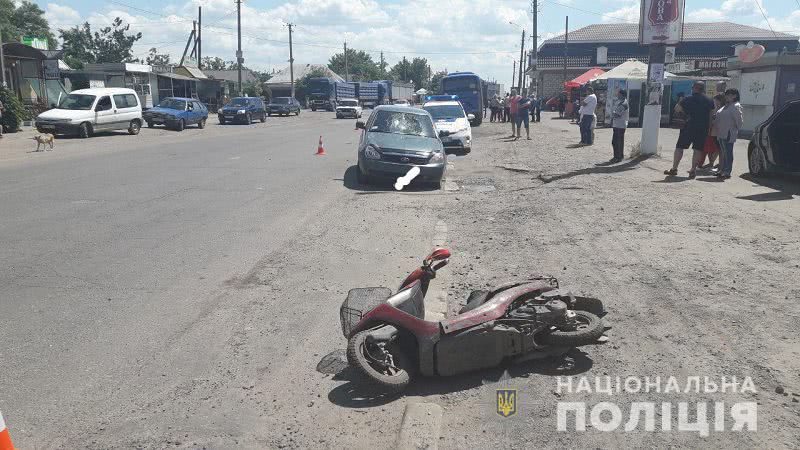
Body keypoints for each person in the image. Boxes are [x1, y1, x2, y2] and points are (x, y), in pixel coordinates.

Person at [663, 81, 715, 178]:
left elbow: (677, 108)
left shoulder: (687, 98)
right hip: (702, 128)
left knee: (679, 147)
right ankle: (693, 170)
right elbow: (711, 115)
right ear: (703, 89)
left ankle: (674, 169)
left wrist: (685, 113)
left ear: (694, 88)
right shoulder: (709, 100)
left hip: (688, 127)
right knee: (698, 149)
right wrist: (709, 128)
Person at [713, 88, 743, 180]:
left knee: (728, 153)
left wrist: (735, 129)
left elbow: (739, 121)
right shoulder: (726, 105)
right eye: (726, 95)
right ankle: (722, 169)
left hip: (728, 132)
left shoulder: (735, 106)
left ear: (735, 96)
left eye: (730, 95)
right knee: (723, 152)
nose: (727, 97)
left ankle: (727, 171)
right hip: (721, 132)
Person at [699, 94, 726, 169]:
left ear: (720, 101)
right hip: (712, 132)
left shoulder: (723, 109)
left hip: (718, 132)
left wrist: (713, 121)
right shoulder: (715, 109)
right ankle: (712, 163)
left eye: (716, 101)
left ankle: (719, 164)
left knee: (718, 149)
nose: (715, 102)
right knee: (711, 148)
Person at [610, 89, 629, 163]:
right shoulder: (622, 103)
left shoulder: (623, 104)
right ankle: (618, 156)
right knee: (616, 142)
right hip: (618, 125)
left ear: (622, 95)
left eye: (619, 94)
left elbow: (617, 115)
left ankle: (618, 157)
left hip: (620, 125)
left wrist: (613, 113)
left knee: (617, 142)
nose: (617, 95)